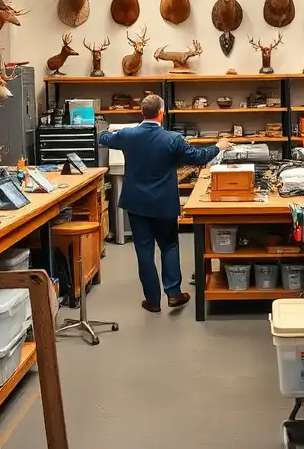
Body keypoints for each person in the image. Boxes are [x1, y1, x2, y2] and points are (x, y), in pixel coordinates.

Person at [99, 94, 232, 312]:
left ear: (142, 113)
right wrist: (219, 145)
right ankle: (173, 293)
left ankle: (152, 301)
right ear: (162, 113)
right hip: (163, 204)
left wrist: (107, 130)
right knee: (169, 246)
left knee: (144, 250)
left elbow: (103, 138)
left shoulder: (128, 135)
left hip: (137, 204)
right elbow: (198, 157)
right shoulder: (173, 139)